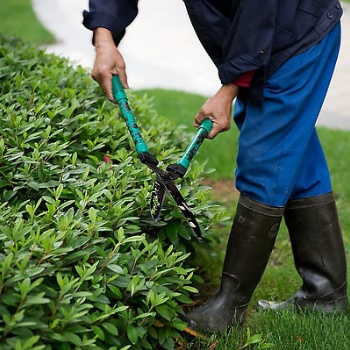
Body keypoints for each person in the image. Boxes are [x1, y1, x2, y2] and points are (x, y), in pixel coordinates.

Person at [83, 0, 348, 334]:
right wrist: (104, 38)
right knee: (295, 156)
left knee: (265, 158)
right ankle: (324, 295)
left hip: (296, 35)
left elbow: (258, 11)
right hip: (267, 42)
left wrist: (229, 90)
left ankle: (228, 308)